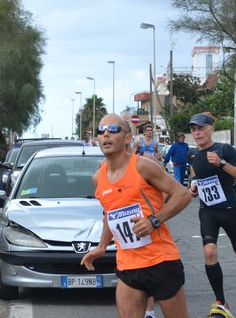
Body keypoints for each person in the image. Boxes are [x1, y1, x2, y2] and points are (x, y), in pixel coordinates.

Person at [81, 114, 191, 318]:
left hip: (161, 261)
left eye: (113, 129)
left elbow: (182, 194)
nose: (106, 134)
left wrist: (154, 220)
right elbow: (110, 214)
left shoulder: (142, 166)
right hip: (128, 265)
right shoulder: (98, 177)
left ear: (127, 138)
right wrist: (102, 246)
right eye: (101, 131)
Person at [187, 113, 236, 317]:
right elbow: (196, 176)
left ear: (211, 129)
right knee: (209, 252)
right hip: (208, 211)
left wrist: (221, 163)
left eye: (201, 128)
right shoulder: (193, 154)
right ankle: (221, 302)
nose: (197, 132)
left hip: (229, 210)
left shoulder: (224, 150)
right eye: (193, 129)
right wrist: (193, 187)